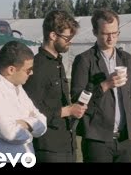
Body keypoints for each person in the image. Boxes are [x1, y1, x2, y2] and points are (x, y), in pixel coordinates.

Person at [70, 8, 131, 163]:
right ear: (95, 32)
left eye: (115, 33)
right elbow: (77, 99)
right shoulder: (84, 60)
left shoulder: (126, 59)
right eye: (106, 33)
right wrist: (105, 85)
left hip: (125, 139)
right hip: (97, 139)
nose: (111, 38)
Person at [23, 10, 87, 162]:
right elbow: (31, 111)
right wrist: (66, 111)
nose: (70, 41)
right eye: (67, 38)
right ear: (52, 36)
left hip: (67, 143)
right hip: (48, 148)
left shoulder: (58, 63)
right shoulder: (37, 66)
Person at [0, 41, 47, 157]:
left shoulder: (18, 87)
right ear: (11, 70)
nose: (31, 73)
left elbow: (42, 122)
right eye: (28, 70)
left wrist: (24, 123)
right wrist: (31, 128)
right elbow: (10, 133)